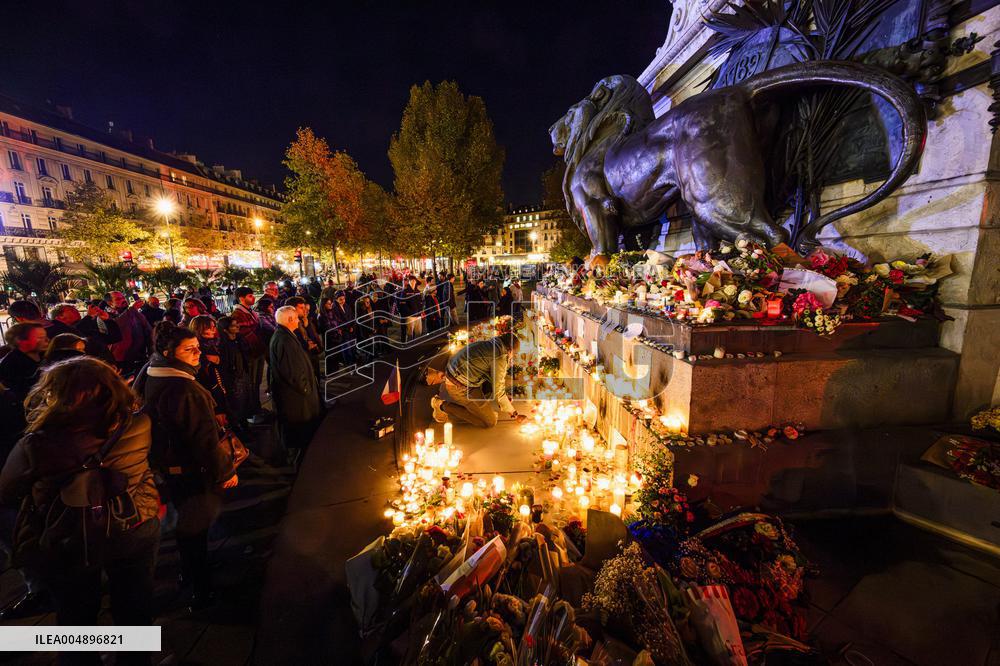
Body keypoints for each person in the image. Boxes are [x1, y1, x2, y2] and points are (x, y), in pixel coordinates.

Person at [0, 358, 160, 650]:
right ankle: (132, 656)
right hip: (131, 522)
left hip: (68, 535)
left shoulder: (36, 444)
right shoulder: (138, 424)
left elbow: (6, 491)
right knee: (134, 607)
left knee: (76, 614)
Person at [140, 325, 236, 609]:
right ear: (169, 353)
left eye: (198, 347)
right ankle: (200, 587)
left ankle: (192, 570)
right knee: (194, 526)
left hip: (171, 467)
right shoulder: (183, 387)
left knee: (189, 525)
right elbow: (203, 440)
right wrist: (226, 472)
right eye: (189, 349)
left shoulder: (153, 372)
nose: (198, 353)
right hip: (191, 470)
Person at [431, 333, 525, 428]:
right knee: (489, 422)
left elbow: (494, 380)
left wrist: (503, 401)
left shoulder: (492, 344)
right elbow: (498, 389)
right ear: (510, 350)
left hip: (457, 375)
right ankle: (441, 405)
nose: (513, 357)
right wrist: (513, 412)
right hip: (459, 387)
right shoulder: (500, 356)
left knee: (493, 389)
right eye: (514, 354)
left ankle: (479, 408)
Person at [269, 306, 322, 463]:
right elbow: (292, 371)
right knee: (300, 435)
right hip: (297, 399)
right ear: (290, 319)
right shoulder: (284, 340)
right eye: (297, 318)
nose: (299, 320)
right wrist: (306, 389)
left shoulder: (284, 336)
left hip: (298, 396)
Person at [230, 287, 266, 421]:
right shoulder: (238, 314)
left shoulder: (250, 311)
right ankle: (253, 412)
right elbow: (244, 334)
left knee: (256, 381)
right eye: (250, 296)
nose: (253, 298)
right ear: (241, 298)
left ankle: (257, 408)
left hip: (257, 350)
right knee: (252, 382)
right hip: (251, 352)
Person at [0, 323, 48, 404]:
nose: (47, 340)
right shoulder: (11, 364)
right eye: (40, 338)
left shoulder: (46, 354)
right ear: (21, 341)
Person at [106, 291, 152, 376]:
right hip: (122, 360)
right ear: (110, 303)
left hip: (140, 356)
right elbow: (116, 324)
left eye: (123, 297)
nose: (123, 300)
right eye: (118, 299)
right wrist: (132, 310)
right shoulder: (106, 316)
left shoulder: (132, 312)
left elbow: (147, 329)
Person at [76, 299, 122, 364]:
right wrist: (89, 316)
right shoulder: (69, 332)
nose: (76, 311)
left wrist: (107, 320)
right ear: (60, 316)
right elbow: (76, 330)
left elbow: (115, 337)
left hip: (107, 365)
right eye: (71, 309)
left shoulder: (89, 328)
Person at [396, 275, 424, 342]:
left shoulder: (418, 292)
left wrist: (420, 312)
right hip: (410, 317)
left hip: (418, 316)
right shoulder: (405, 292)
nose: (413, 282)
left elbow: (421, 303)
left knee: (418, 333)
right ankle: (410, 348)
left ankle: (417, 345)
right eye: (411, 280)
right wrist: (409, 313)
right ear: (409, 282)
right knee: (410, 334)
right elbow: (403, 305)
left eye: (414, 280)